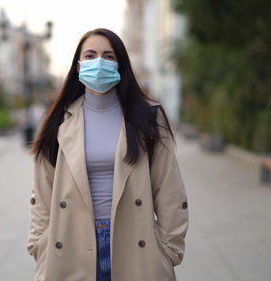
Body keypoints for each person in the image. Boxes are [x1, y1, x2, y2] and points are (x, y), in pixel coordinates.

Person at [27, 28, 188, 281]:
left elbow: (169, 189)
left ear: (120, 65)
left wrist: (168, 251)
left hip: (135, 244)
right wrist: (40, 244)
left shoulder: (148, 118)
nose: (99, 62)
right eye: (90, 55)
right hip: (71, 245)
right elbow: (42, 191)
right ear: (78, 67)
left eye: (108, 56)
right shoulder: (58, 120)